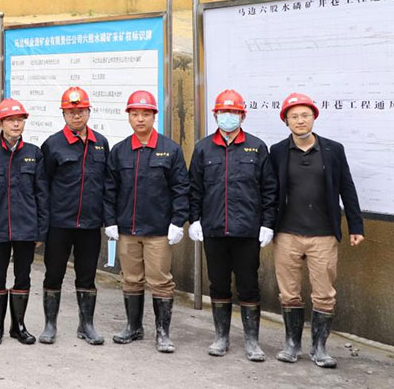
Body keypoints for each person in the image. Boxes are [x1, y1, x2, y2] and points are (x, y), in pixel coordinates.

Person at [270, 92, 364, 369]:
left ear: (314, 117)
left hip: (323, 234)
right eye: (294, 116)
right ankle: (292, 345)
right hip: (287, 233)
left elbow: (347, 186)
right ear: (286, 121)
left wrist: (356, 225)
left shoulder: (333, 149)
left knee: (324, 294)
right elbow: (270, 191)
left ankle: (319, 348)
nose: (300, 120)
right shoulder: (277, 151)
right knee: (289, 293)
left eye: (305, 115)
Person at [188, 89, 276, 362]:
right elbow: (195, 189)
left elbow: (269, 190)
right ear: (215, 115)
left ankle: (252, 341)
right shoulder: (203, 148)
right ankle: (221, 337)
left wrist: (267, 224)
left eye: (234, 112)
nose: (229, 116)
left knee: (248, 285)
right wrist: (194, 219)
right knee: (218, 284)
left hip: (247, 231)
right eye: (224, 112)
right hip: (214, 230)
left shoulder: (257, 147)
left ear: (243, 116)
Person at [103, 90, 188, 353]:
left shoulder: (170, 150)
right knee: (131, 278)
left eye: (145, 114)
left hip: (158, 231)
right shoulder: (120, 151)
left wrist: (178, 221)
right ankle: (133, 327)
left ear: (154, 116)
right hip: (127, 229)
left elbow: (181, 189)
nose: (140, 119)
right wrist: (110, 221)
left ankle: (163, 333)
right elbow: (109, 190)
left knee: (160, 281)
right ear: (129, 117)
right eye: (135, 114)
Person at [38, 86, 110, 345]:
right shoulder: (52, 145)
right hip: (60, 223)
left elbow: (106, 183)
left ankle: (86, 325)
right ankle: (50, 325)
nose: (76, 116)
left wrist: (108, 219)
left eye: (80, 111)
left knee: (87, 275)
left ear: (89, 112)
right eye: (71, 112)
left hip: (90, 223)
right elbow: (43, 185)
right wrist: (43, 224)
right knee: (53, 274)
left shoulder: (101, 144)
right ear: (63, 114)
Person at [0, 98, 47, 345]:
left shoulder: (34, 154)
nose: (16, 124)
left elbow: (42, 195)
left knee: (23, 276)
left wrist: (41, 231)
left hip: (26, 228)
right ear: (0, 123)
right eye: (11, 120)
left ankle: (19, 326)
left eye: (20, 120)